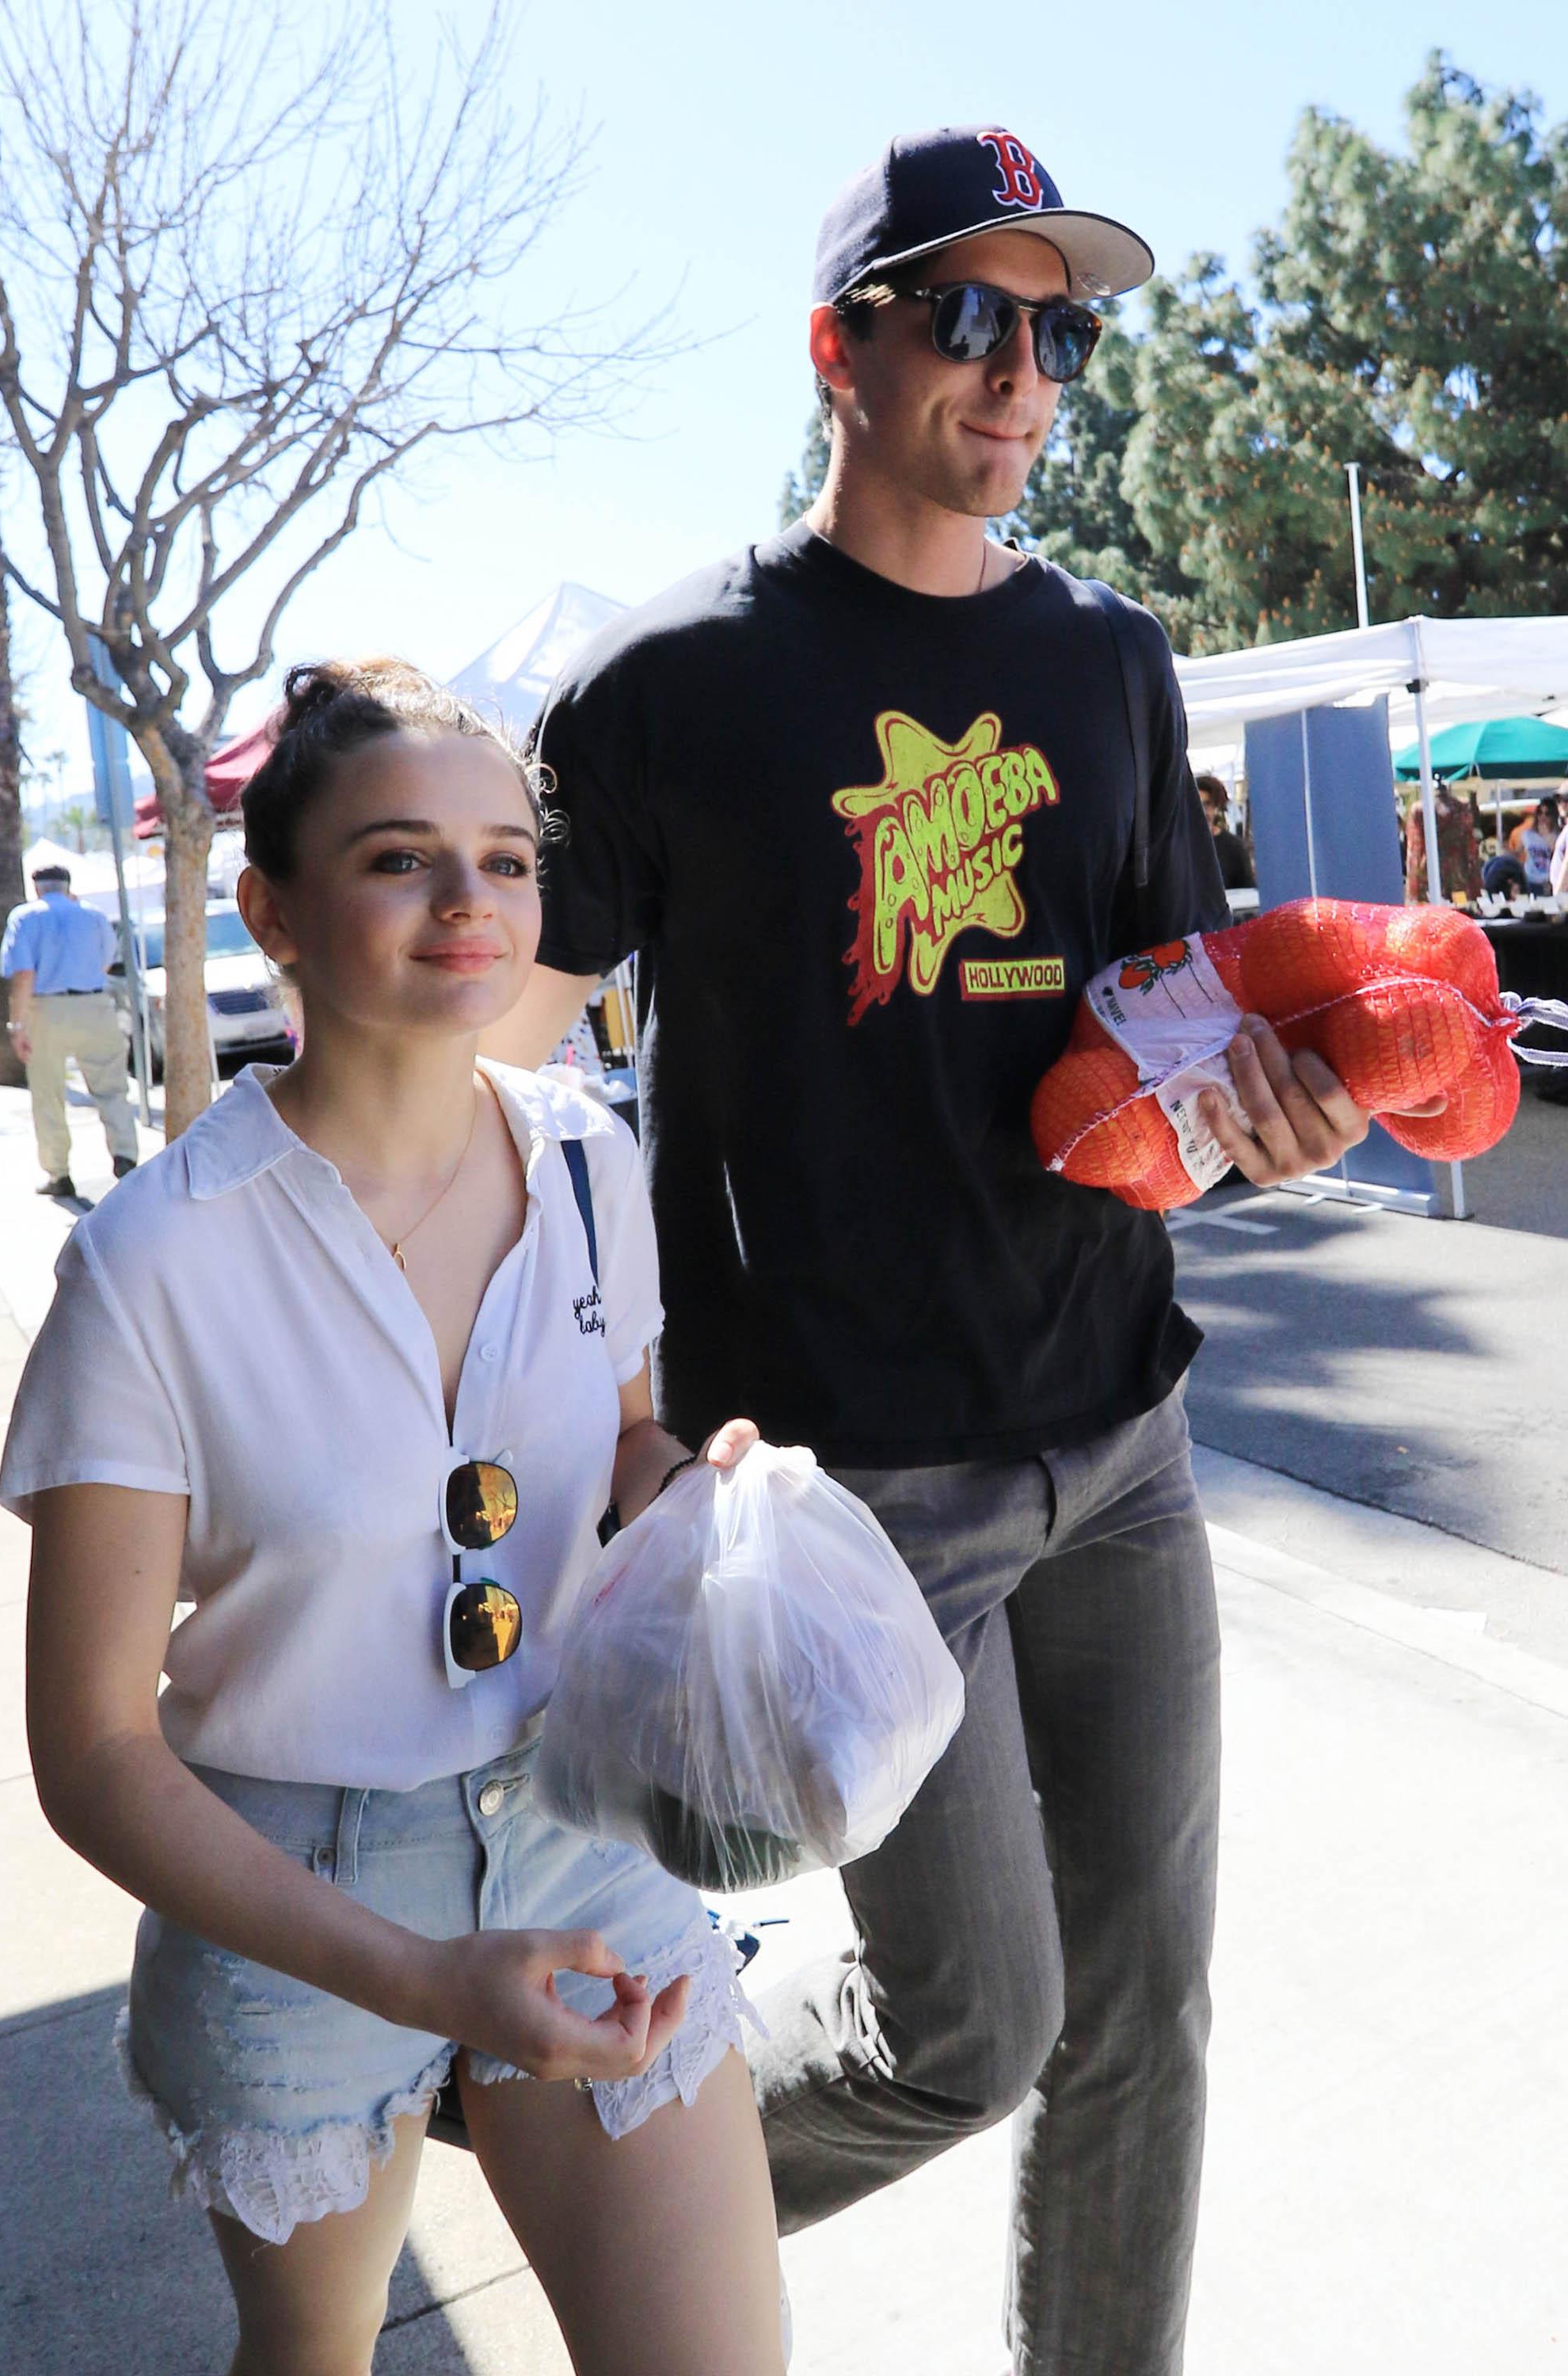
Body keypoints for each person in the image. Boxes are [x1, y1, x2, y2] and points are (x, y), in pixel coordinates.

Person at [484, 125, 1442, 2376]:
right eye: (975, 316)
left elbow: (1160, 1042)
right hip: (849, 1498)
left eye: (1065, 331)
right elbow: (499, 1088)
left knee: (1148, 2019)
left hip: (1120, 1438)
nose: (1026, 376)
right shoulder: (672, 691)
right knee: (976, 2028)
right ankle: (598, 2152)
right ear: (843, 347)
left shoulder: (1110, 660)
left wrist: (1263, 1131)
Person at [0, 661, 785, 2376]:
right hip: (290, 1880)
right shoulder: (152, 1261)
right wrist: (423, 1982)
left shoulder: (589, 1158)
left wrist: (688, 1501)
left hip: (584, 1822)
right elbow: (92, 1752)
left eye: (506, 861)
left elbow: (623, 1443)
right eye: (398, 859)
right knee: (315, 2357)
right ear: (269, 909)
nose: (470, 904)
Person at [0, 861, 140, 1197]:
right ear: (67, 885)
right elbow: (106, 961)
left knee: (48, 1093)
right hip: (95, 1004)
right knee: (111, 1087)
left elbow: (23, 975)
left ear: (37, 888)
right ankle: (125, 1155)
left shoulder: (24, 917)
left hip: (47, 1008)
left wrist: (17, 1025)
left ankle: (58, 1173)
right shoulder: (93, 916)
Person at [1406, 782, 1483, 904]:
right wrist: (1475, 882)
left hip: (1430, 871)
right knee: (1461, 909)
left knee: (1434, 913)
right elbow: (1470, 849)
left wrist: (1413, 887)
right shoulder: (1462, 807)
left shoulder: (1420, 809)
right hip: (1457, 872)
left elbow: (1415, 850)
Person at [1196, 771, 1254, 889]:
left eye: (1207, 805)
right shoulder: (1177, 846)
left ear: (1216, 806)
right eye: (1197, 805)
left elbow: (1247, 891)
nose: (1202, 811)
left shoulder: (1234, 847)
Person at [1511, 794, 1562, 895]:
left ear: (1554, 816)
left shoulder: (1559, 835)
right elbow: (1517, 853)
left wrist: (1547, 836)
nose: (1543, 817)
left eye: (1547, 814)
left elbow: (1558, 854)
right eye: (1540, 813)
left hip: (1549, 881)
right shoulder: (1527, 834)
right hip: (1530, 880)